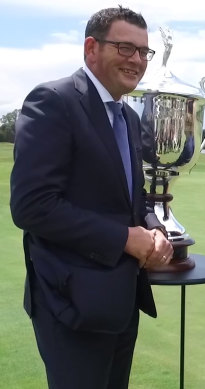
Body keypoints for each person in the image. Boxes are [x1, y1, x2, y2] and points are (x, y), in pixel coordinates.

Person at [10, 6, 174, 389]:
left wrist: (153, 228)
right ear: (91, 48)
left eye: (143, 52)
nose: (136, 60)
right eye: (124, 47)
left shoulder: (129, 117)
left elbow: (130, 200)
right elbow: (32, 205)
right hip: (70, 303)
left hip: (120, 301)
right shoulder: (53, 101)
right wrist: (124, 238)